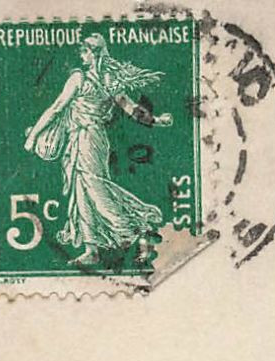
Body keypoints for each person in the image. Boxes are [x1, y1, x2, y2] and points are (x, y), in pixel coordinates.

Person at [21, 34, 174, 266]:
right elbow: (133, 109)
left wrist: (33, 136)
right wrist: (157, 120)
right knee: (81, 190)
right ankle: (91, 249)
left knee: (94, 189)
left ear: (95, 53)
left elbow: (55, 108)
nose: (81, 55)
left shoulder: (79, 78)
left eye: (85, 51)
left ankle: (136, 231)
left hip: (87, 139)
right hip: (87, 139)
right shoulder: (109, 80)